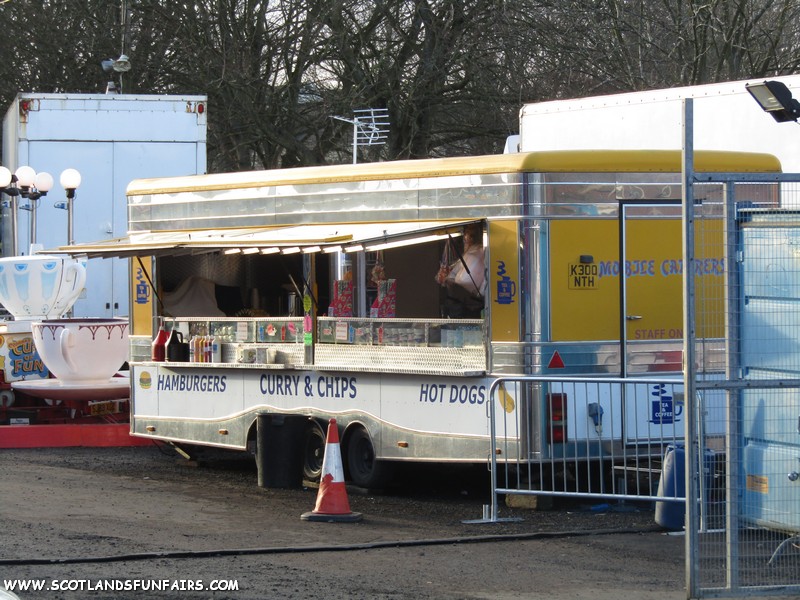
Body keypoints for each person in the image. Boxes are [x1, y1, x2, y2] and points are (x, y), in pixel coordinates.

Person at [437, 224, 486, 318]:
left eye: (472, 235)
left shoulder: (475, 254)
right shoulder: (472, 253)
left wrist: (449, 280)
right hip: (466, 305)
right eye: (467, 235)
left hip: (469, 306)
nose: (468, 239)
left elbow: (462, 281)